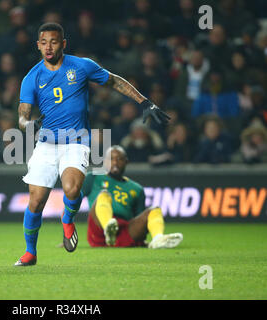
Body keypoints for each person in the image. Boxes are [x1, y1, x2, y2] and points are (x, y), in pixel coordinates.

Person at [15, 23, 170, 266]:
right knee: (35, 201)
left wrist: (144, 101)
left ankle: (67, 220)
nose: (48, 46)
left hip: (76, 140)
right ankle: (30, 252)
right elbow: (22, 115)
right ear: (38, 45)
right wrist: (28, 124)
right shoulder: (31, 77)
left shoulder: (81, 66)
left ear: (63, 43)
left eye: (54, 41)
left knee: (72, 188)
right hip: (46, 144)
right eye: (44, 42)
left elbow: (115, 81)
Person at [83, 145, 183, 249]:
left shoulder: (137, 189)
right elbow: (73, 201)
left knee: (154, 210)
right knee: (104, 195)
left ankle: (158, 239)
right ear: (104, 162)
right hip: (98, 230)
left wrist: (141, 239)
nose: (115, 163)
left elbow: (138, 218)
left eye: (119, 159)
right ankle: (108, 226)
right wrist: (68, 235)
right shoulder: (93, 177)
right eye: (111, 159)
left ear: (126, 162)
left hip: (122, 231)